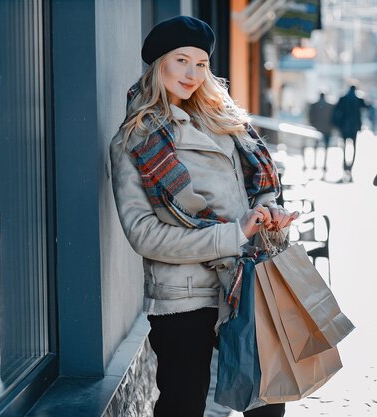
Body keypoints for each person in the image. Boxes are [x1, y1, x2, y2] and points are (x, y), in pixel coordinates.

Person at [109, 16, 298, 417]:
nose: (192, 74)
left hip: (243, 283)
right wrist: (233, 234)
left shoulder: (224, 122)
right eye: (181, 60)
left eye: (201, 64)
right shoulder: (136, 140)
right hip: (183, 296)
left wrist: (268, 209)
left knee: (267, 399)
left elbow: (255, 188)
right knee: (183, 404)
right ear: (159, 64)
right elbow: (144, 235)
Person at [332, 85, 368, 181]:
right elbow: (367, 107)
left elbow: (336, 111)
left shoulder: (343, 98)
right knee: (354, 148)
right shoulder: (358, 98)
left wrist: (337, 124)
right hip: (354, 127)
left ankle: (345, 167)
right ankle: (350, 168)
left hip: (344, 127)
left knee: (344, 148)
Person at [307, 92, 334, 175]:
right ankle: (324, 165)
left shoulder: (314, 105)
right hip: (327, 129)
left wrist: (313, 125)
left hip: (317, 129)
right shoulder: (330, 105)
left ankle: (315, 164)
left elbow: (310, 116)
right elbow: (333, 117)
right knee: (325, 148)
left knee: (316, 147)